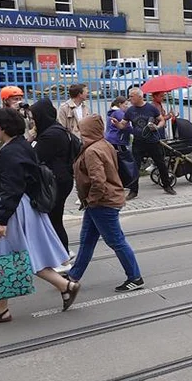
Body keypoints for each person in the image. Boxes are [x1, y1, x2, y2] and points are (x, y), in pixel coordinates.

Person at [0, 108, 77, 325]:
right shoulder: (20, 145)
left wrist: (2, 220)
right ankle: (65, 286)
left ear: (2, 128)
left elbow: (12, 187)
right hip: (21, 208)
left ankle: (0, 310)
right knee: (23, 255)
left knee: (2, 258)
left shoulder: (11, 151)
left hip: (12, 210)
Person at [64, 115, 144, 293]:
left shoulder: (92, 151)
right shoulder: (104, 144)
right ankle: (73, 275)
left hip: (103, 202)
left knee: (116, 241)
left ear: (88, 130)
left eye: (82, 129)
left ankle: (135, 277)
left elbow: (98, 181)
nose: (79, 132)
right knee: (87, 240)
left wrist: (91, 200)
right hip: (100, 201)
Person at [31, 98, 75, 268]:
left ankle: (62, 257)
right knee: (54, 219)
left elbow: (35, 157)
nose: (33, 120)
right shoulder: (55, 130)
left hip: (55, 182)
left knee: (53, 220)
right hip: (60, 180)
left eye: (35, 116)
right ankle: (63, 252)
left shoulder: (50, 135)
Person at [123, 88, 175, 198]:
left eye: (132, 96)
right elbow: (123, 124)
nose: (129, 98)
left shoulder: (151, 108)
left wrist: (157, 127)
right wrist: (117, 124)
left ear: (139, 97)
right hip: (138, 142)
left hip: (152, 141)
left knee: (160, 163)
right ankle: (133, 191)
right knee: (135, 166)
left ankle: (167, 186)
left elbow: (161, 120)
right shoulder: (130, 110)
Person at [0, 86, 34, 154]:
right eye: (15, 99)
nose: (19, 102)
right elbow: (4, 128)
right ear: (5, 100)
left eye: (20, 99)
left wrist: (30, 115)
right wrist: (12, 112)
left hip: (19, 150)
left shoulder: (22, 113)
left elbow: (31, 128)